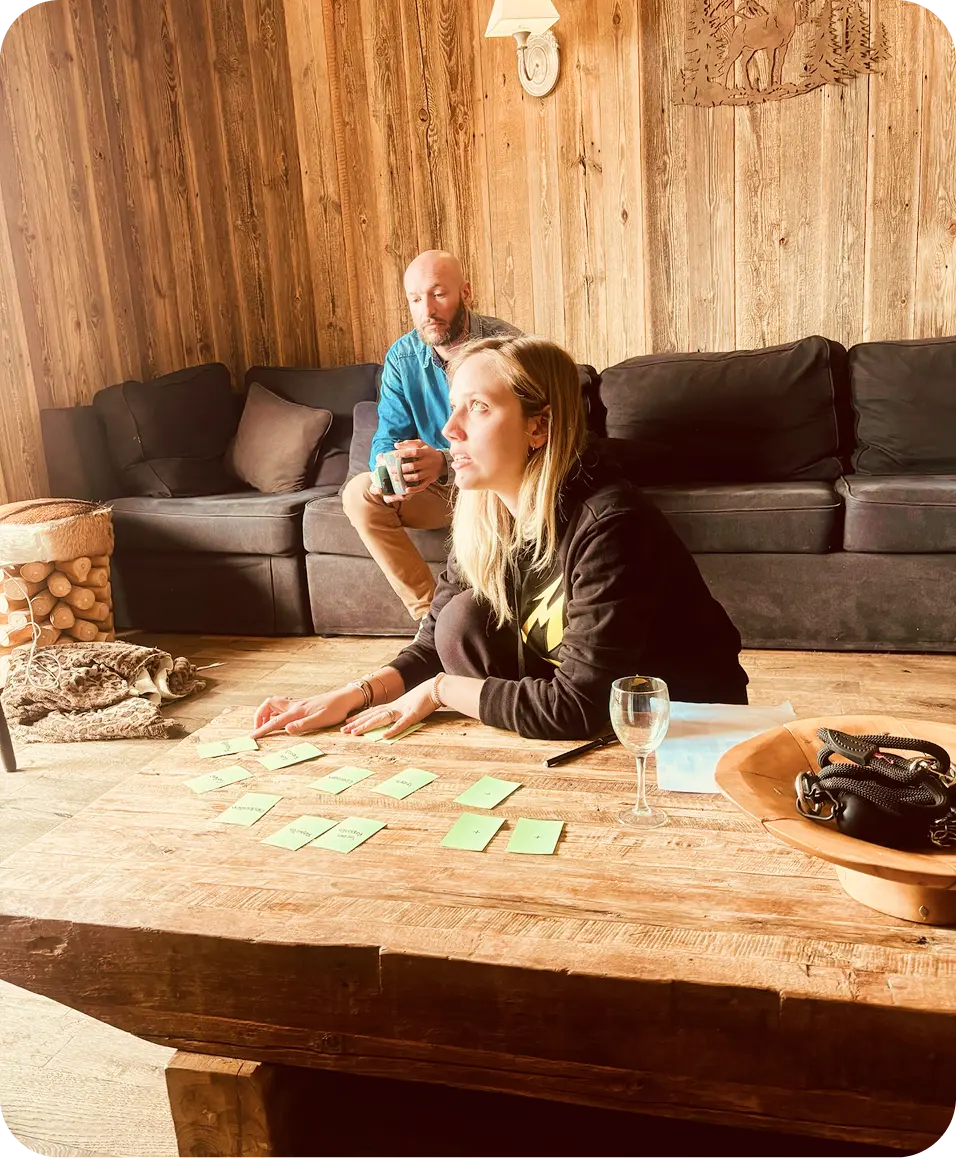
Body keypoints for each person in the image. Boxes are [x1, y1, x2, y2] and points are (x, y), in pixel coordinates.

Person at [253, 335, 749, 745]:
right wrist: (353, 694)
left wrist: (442, 691)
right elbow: (431, 643)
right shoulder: (490, 513)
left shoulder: (611, 526)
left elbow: (576, 707)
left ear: (538, 427)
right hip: (594, 716)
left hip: (677, 729)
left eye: (479, 408)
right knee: (459, 622)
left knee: (470, 657)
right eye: (454, 408)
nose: (450, 430)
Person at [341, 250, 520, 623]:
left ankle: (493, 622)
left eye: (438, 294)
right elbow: (387, 436)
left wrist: (443, 462)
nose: (427, 310)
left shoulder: (507, 347)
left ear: (465, 292)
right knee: (360, 494)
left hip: (496, 485)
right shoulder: (402, 357)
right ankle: (430, 619)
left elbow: (519, 444)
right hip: (438, 491)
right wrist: (392, 471)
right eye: (415, 299)